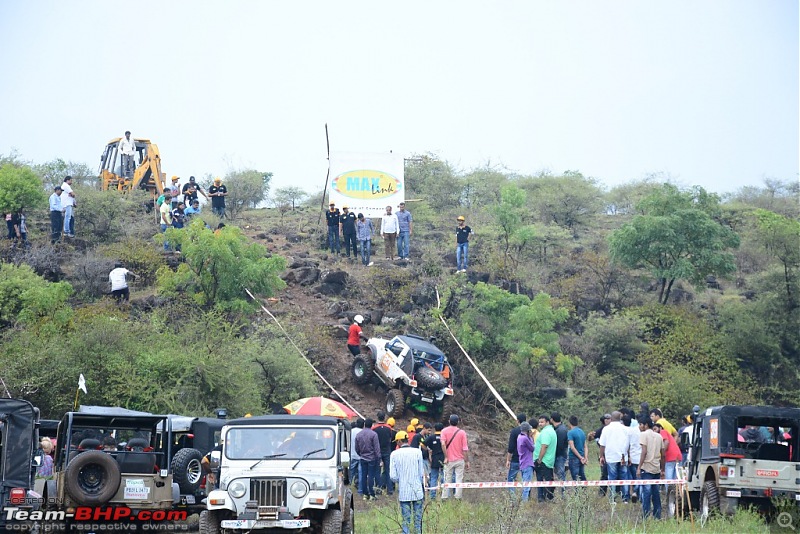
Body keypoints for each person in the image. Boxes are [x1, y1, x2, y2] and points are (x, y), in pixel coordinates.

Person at [390, 430, 425, 534]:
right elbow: (421, 473)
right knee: (418, 520)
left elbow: (393, 476)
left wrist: (401, 480)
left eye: (397, 441)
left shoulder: (394, 454)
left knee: (406, 520)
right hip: (417, 490)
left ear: (400, 441)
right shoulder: (417, 452)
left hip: (404, 492)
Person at [598, 411, 630, 503]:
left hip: (611, 457)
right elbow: (628, 444)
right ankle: (625, 498)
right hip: (623, 457)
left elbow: (602, 444)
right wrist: (628, 455)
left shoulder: (606, 429)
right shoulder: (625, 429)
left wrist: (601, 456)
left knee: (612, 477)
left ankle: (612, 498)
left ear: (611, 418)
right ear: (620, 418)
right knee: (624, 477)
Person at [637, 417, 665, 519]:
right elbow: (663, 454)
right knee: (655, 493)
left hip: (647, 468)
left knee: (647, 493)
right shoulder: (659, 436)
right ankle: (657, 515)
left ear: (646, 425)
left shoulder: (643, 435)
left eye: (640, 424)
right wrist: (663, 469)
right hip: (656, 468)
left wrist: (639, 467)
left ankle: (645, 515)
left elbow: (644, 452)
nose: (640, 426)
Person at [441, 414, 469, 500]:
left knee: (447, 478)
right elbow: (465, 448)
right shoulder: (462, 433)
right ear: (458, 422)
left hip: (449, 459)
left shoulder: (444, 431)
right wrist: (467, 461)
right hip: (460, 459)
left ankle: (444, 497)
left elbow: (443, 444)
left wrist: (446, 456)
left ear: (449, 421)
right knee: (459, 479)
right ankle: (458, 497)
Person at [355, 417, 380, 501]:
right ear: (372, 425)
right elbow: (376, 448)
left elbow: (357, 448)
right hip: (372, 458)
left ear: (365, 424)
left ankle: (365, 494)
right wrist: (378, 458)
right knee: (371, 476)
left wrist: (361, 454)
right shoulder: (374, 434)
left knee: (363, 476)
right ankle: (372, 494)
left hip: (363, 458)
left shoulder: (359, 434)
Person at [533, 414, 556, 502]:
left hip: (543, 461)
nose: (540, 424)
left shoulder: (546, 432)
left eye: (542, 422)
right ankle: (547, 498)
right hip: (548, 461)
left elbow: (544, 446)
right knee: (548, 479)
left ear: (547, 422)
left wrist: (539, 459)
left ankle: (544, 498)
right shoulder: (551, 430)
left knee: (543, 480)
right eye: (539, 422)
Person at [373, 412, 395, 495]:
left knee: (377, 471)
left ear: (378, 418)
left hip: (377, 451)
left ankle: (378, 489)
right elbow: (390, 438)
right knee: (388, 470)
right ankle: (390, 490)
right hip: (387, 450)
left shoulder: (374, 428)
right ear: (384, 418)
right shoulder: (389, 428)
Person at [506, 413, 527, 496]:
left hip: (515, 459)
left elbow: (511, 447)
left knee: (511, 480)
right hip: (526, 460)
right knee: (525, 480)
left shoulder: (514, 431)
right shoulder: (529, 431)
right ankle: (525, 498)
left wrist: (508, 459)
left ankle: (512, 498)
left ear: (517, 420)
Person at [624, 412, 642, 503]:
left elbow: (627, 445)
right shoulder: (645, 431)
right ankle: (637, 493)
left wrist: (628, 456)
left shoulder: (631, 431)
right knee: (641, 477)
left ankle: (633, 492)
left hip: (633, 457)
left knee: (632, 476)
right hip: (642, 458)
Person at [424, 423, 444, 500]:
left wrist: (429, 449)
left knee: (433, 477)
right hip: (443, 458)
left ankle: (432, 495)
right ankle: (443, 493)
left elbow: (423, 444)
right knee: (443, 476)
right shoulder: (444, 436)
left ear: (435, 429)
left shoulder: (431, 437)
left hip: (434, 458)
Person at [516, 422, 535, 502]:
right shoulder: (525, 438)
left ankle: (523, 501)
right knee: (527, 485)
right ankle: (524, 502)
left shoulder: (519, 437)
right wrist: (531, 438)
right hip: (528, 462)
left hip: (522, 462)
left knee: (524, 483)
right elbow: (532, 448)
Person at [551, 412, 569, 490]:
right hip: (560, 455)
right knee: (559, 474)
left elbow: (559, 445)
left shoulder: (560, 430)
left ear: (552, 419)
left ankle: (563, 493)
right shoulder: (561, 428)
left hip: (559, 456)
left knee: (561, 475)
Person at [567, 415, 588, 481]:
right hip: (582, 457)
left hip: (574, 457)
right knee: (582, 475)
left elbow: (572, 447)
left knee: (575, 478)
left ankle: (577, 491)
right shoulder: (582, 432)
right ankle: (584, 490)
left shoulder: (570, 433)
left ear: (569, 423)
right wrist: (585, 457)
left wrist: (580, 457)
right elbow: (585, 446)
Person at [350, 419, 364, 495]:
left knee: (350, 473)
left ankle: (348, 487)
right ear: (363, 425)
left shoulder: (351, 431)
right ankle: (360, 490)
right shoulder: (363, 433)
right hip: (361, 456)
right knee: (361, 473)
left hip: (352, 455)